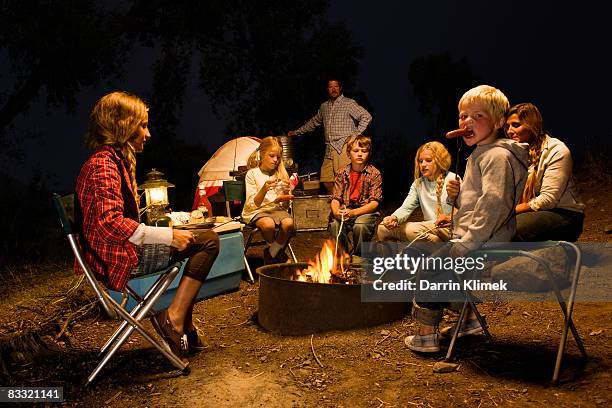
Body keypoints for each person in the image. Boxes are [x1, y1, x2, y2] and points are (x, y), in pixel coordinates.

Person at [76, 91, 220, 358]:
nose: (148, 133)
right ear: (123, 125)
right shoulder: (103, 166)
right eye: (142, 125)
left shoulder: (114, 161)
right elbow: (110, 223)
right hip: (118, 258)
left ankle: (183, 323)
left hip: (117, 252)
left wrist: (170, 231)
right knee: (209, 242)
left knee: (198, 236)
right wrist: (167, 237)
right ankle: (175, 319)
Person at [405, 85, 529, 353]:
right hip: (476, 239)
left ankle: (426, 336)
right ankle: (468, 322)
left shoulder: (497, 155)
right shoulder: (480, 153)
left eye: (478, 116)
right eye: (463, 116)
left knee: (429, 272)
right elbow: (476, 204)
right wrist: (457, 197)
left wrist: (467, 243)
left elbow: (494, 205)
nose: (467, 122)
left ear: (498, 122)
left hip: (483, 243)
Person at [505, 103, 584, 241]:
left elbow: (548, 200)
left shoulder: (556, 150)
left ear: (531, 125)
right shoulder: (515, 153)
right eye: (507, 126)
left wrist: (508, 212)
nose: (509, 131)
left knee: (508, 230)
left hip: (563, 214)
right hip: (528, 212)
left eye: (516, 125)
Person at [288, 79, 372, 193]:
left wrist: (355, 136)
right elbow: (313, 122)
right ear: (327, 89)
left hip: (343, 146)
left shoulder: (348, 103)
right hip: (329, 148)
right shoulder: (324, 106)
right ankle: (337, 203)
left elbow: (366, 117)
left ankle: (347, 206)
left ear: (340, 88)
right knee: (326, 179)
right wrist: (296, 132)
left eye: (336, 86)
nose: (333, 89)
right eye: (331, 87)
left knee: (344, 179)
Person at [377, 141, 458, 244]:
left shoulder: (453, 179)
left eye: (428, 160)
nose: (423, 165)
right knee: (382, 228)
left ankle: (445, 248)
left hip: (449, 230)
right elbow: (406, 208)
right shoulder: (418, 184)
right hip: (427, 229)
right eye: (420, 161)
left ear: (440, 161)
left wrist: (451, 216)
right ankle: (436, 246)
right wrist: (394, 218)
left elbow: (466, 210)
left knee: (412, 230)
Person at [241, 136, 296, 264]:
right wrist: (264, 189)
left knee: (288, 223)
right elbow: (254, 203)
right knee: (268, 224)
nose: (275, 160)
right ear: (261, 154)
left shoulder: (280, 174)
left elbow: (284, 205)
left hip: (276, 210)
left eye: (278, 157)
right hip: (256, 210)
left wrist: (286, 197)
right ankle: (279, 254)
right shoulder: (252, 174)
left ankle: (271, 253)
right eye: (271, 156)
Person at [328, 135, 382, 259]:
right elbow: (335, 197)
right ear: (348, 153)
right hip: (346, 209)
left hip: (365, 211)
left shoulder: (374, 173)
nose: (359, 154)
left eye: (364, 151)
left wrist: (353, 213)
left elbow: (374, 203)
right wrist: (336, 211)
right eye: (356, 151)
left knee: (360, 225)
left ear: (368, 154)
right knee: (335, 225)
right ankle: (343, 257)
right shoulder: (341, 173)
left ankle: (359, 256)